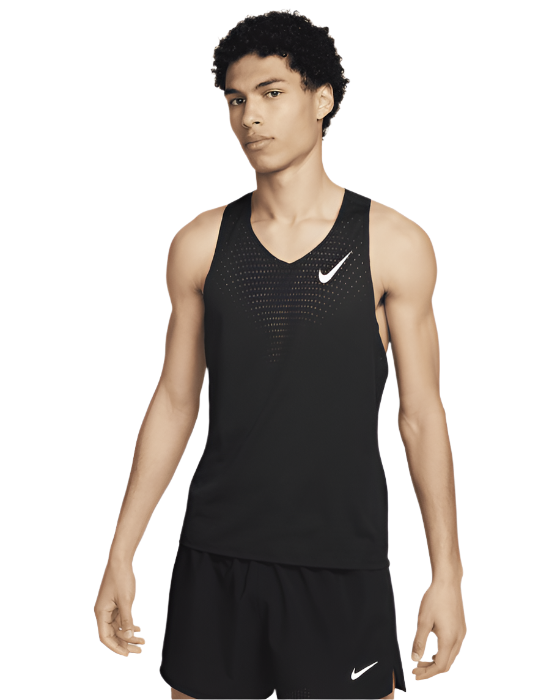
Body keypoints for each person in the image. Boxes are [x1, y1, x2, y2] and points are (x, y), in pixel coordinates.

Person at [93, 9, 466, 700]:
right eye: (236, 100)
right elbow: (175, 401)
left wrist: (448, 574)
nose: (250, 118)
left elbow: (420, 415)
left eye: (271, 93)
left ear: (322, 99)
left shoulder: (394, 243)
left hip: (341, 561)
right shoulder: (200, 243)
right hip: (217, 553)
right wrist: (121, 552)